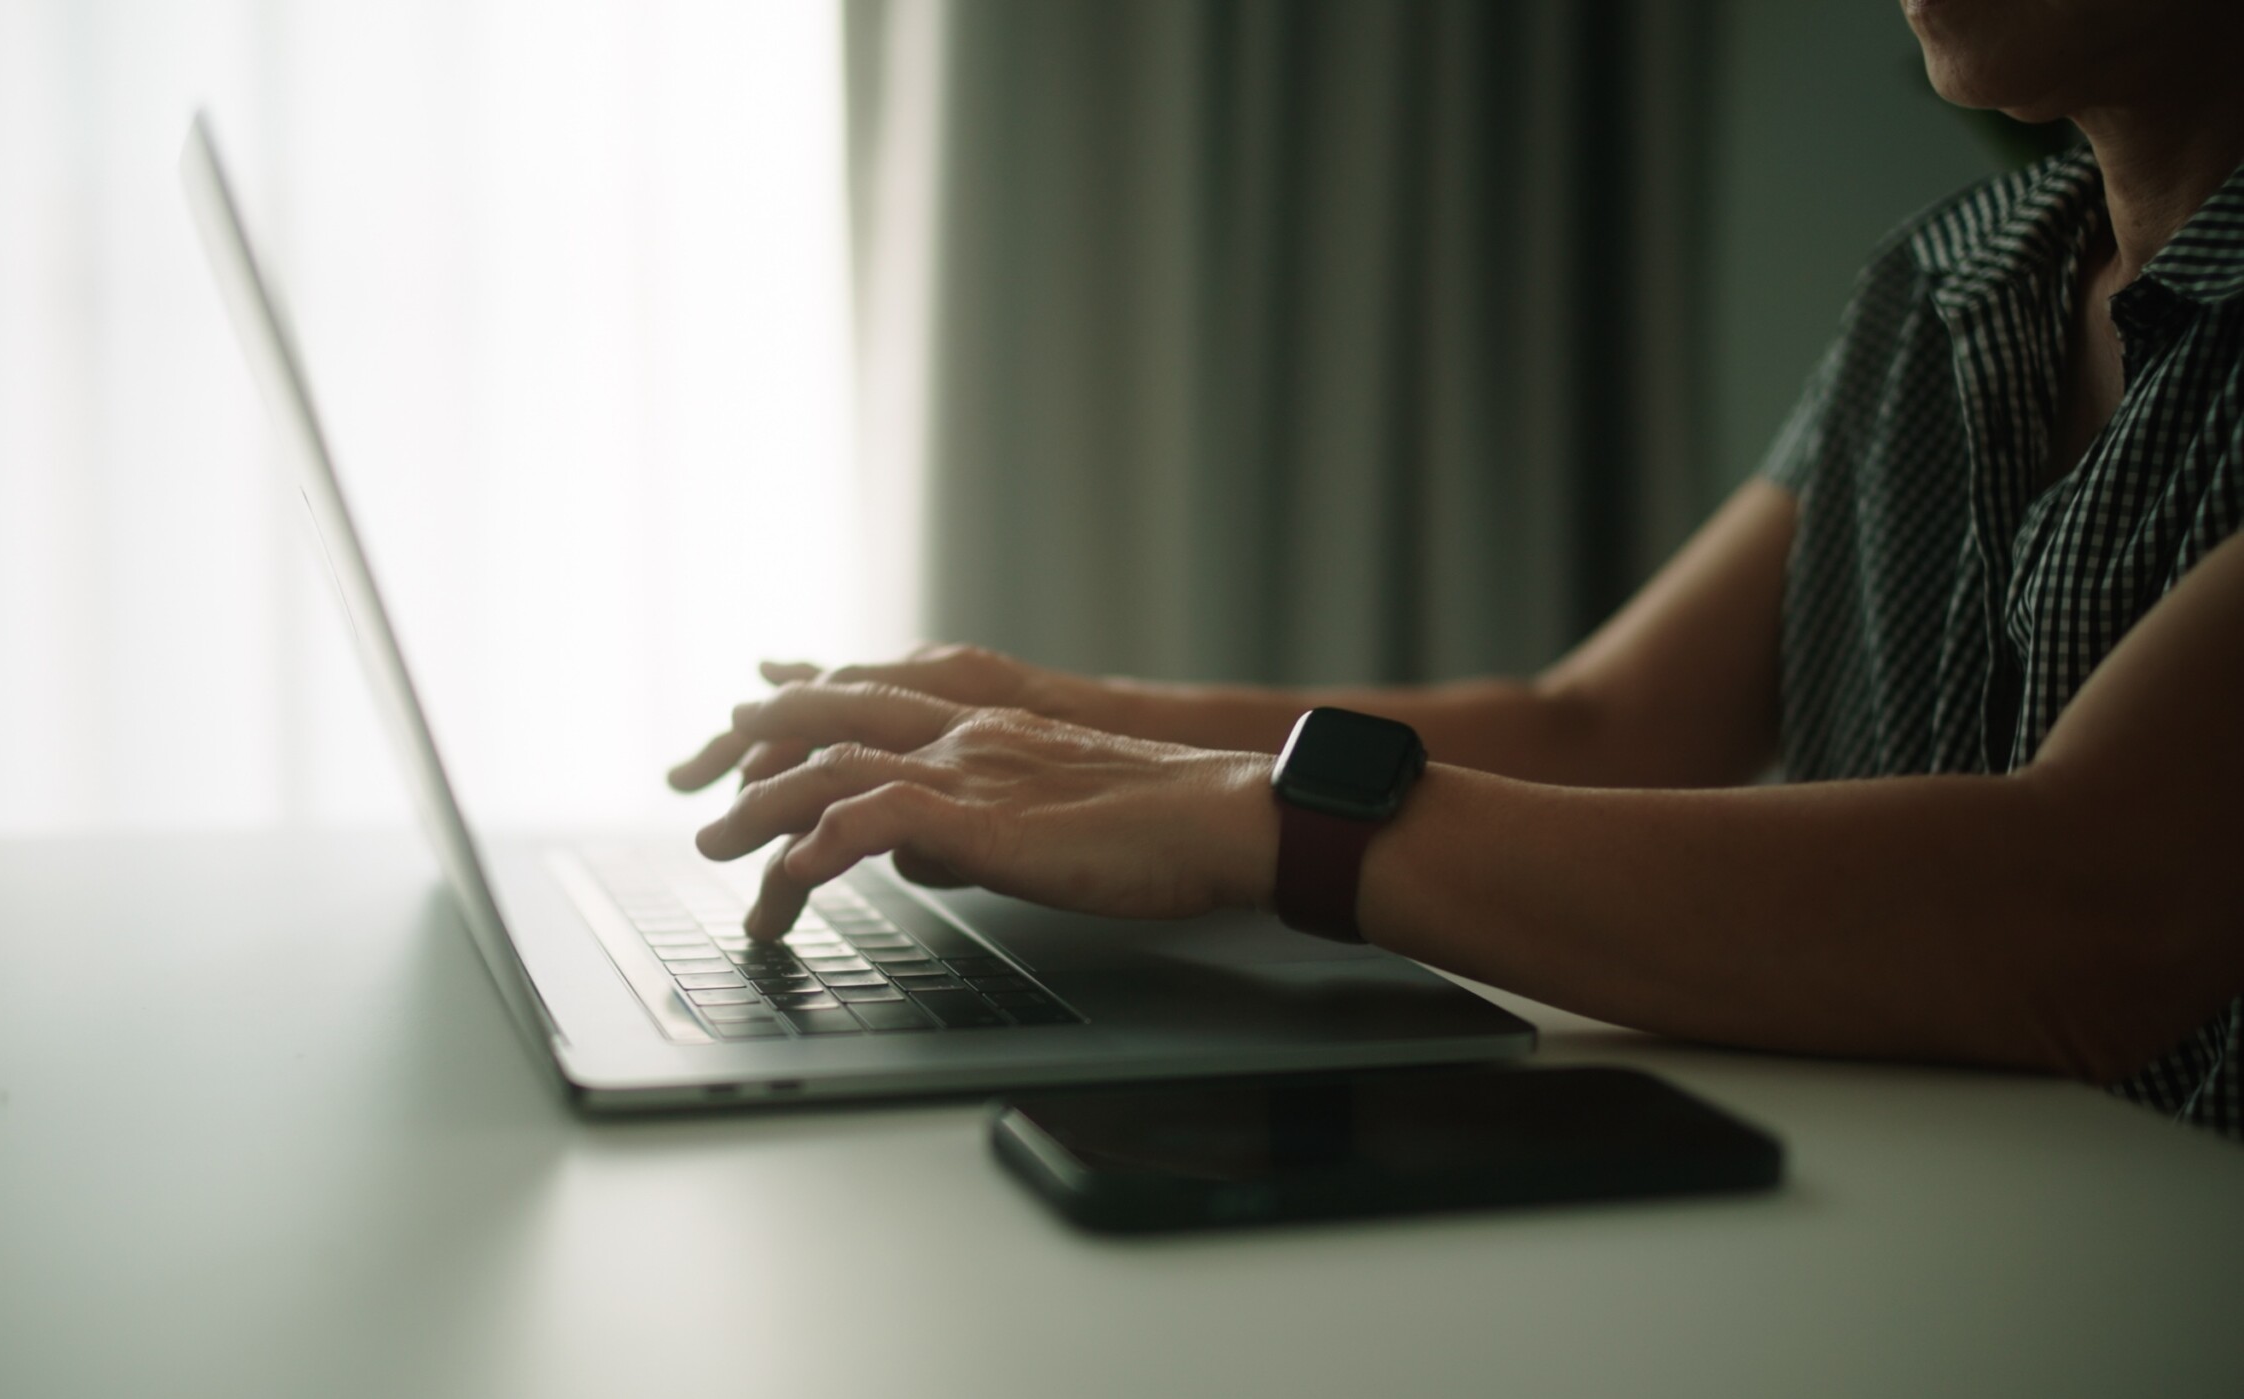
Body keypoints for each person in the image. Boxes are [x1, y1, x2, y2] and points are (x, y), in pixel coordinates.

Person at [670, 0, 2244, 1135]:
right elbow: (1607, 727)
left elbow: (2088, 916)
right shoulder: (1950, 284)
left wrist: (1261, 825)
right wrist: (1047, 720)